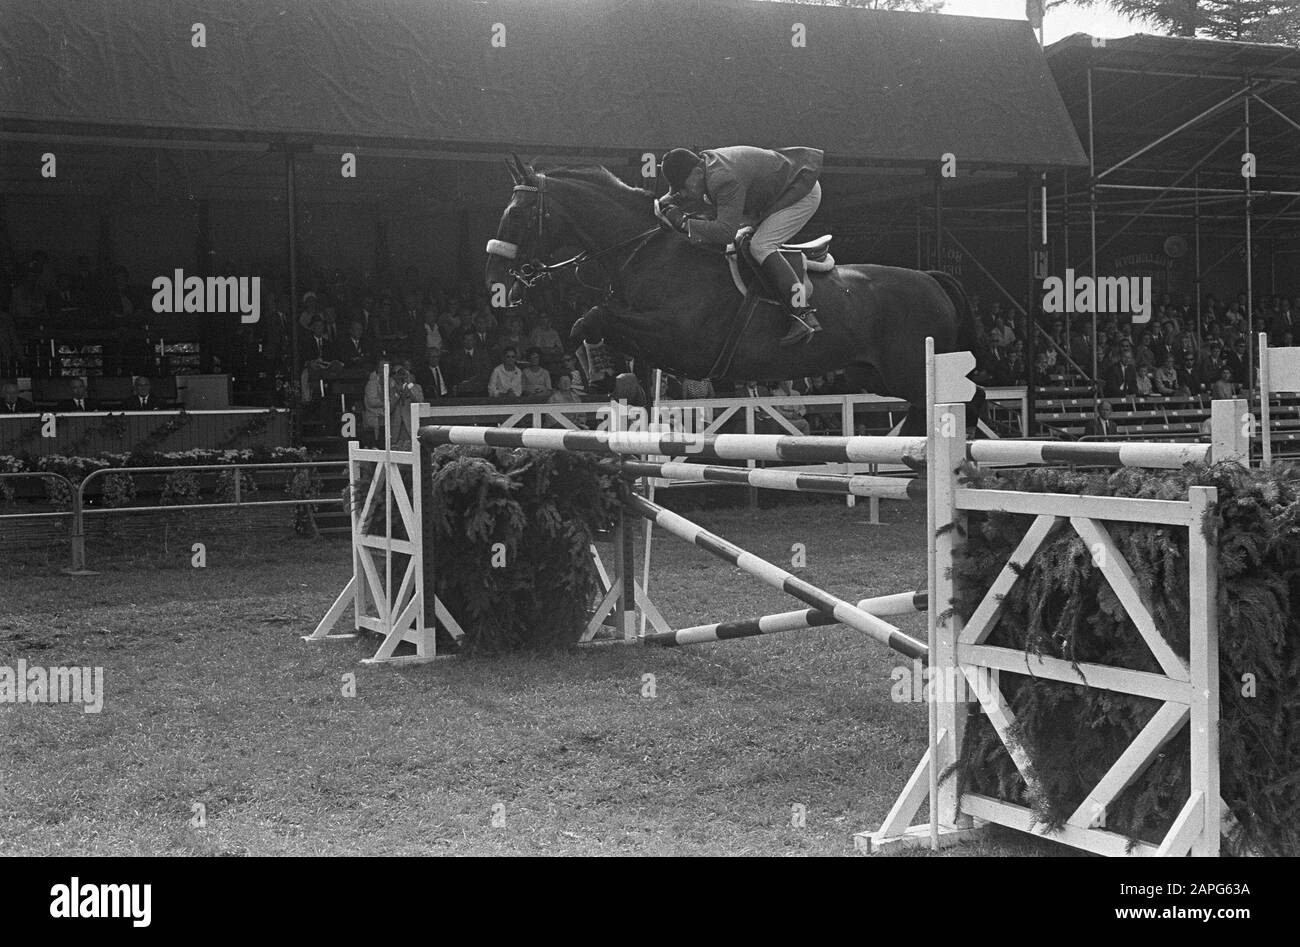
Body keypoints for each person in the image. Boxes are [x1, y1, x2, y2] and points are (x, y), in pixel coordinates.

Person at [659, 145, 825, 343]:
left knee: (761, 246)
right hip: (777, 193)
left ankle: (803, 313)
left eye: (683, 188)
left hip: (800, 194)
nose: (684, 193)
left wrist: (684, 222)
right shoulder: (703, 166)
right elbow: (683, 197)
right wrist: (666, 202)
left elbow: (725, 233)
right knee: (745, 240)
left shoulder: (723, 178)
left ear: (697, 171)